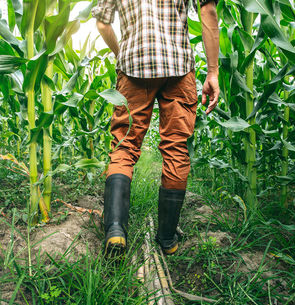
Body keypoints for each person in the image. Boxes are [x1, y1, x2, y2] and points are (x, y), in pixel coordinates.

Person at [92, 0, 220, 255]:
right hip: (179, 68)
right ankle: (167, 239)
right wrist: (213, 72)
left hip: (134, 67)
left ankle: (116, 231)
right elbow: (208, 10)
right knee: (176, 148)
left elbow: (103, 23)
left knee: (124, 147)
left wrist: (122, 55)